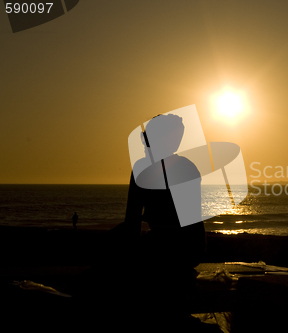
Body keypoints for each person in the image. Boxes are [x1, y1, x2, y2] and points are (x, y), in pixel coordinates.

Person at [75, 114, 206, 319]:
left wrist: (112, 245)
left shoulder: (142, 168)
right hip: (191, 247)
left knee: (94, 280)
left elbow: (132, 223)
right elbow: (192, 222)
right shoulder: (188, 167)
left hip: (168, 248)